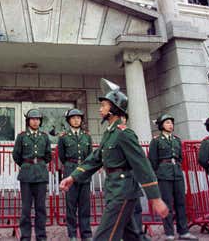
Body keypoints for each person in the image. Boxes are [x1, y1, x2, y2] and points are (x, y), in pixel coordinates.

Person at [60, 78, 169, 241]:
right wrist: (73, 177)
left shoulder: (124, 133)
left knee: (104, 236)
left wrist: (155, 197)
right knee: (133, 236)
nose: (100, 109)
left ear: (114, 109)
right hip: (115, 189)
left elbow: (142, 165)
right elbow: (95, 158)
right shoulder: (110, 133)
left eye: (104, 105)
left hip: (122, 191)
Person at [148, 114, 197, 241]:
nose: (171, 125)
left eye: (171, 123)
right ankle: (169, 232)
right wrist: (158, 173)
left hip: (177, 173)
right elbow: (152, 160)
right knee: (167, 203)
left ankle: (183, 231)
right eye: (167, 122)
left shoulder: (176, 140)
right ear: (161, 125)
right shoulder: (156, 141)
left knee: (181, 202)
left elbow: (179, 157)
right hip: (164, 174)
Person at [12, 108, 52, 241]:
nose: (35, 122)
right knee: (26, 209)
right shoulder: (22, 136)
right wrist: (26, 165)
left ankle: (41, 236)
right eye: (33, 119)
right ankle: (25, 236)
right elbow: (16, 155)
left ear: (40, 121)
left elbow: (48, 155)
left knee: (41, 208)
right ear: (28, 121)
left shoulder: (44, 136)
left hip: (41, 175)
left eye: (38, 119)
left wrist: (38, 164)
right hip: (27, 176)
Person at [57, 108, 92, 241]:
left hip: (84, 172)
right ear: (69, 121)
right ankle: (72, 234)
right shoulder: (63, 137)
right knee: (71, 205)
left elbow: (90, 156)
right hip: (70, 170)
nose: (76, 120)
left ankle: (86, 233)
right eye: (73, 118)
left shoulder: (86, 136)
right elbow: (62, 156)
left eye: (78, 118)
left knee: (85, 206)